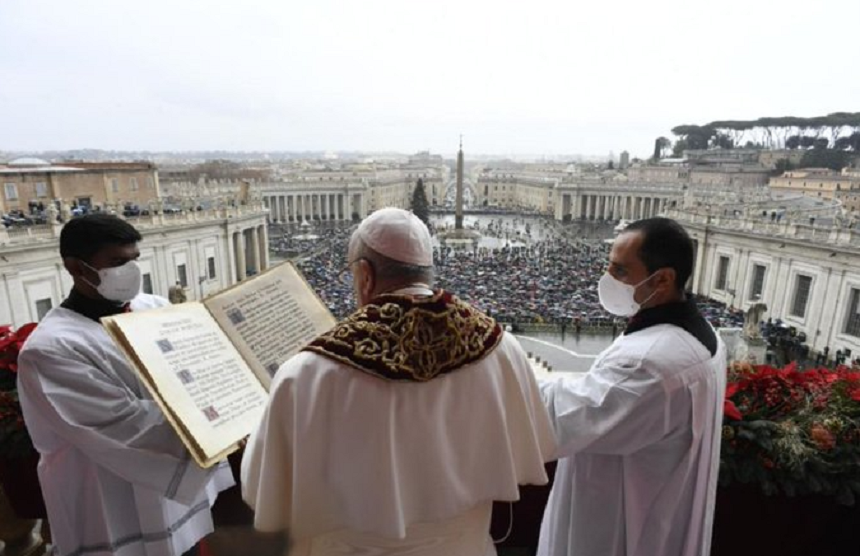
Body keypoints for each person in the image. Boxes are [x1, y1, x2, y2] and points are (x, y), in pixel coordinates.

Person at [242, 207, 555, 556]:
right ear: (427, 272)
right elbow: (535, 451)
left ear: (364, 275)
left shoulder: (307, 373)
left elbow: (260, 489)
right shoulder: (502, 349)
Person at [17, 214, 234, 556]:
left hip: (170, 491)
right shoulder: (51, 349)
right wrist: (223, 417)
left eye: (134, 259)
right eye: (117, 262)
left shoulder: (154, 308)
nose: (131, 271)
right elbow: (123, 424)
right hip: (106, 495)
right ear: (76, 267)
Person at [537, 217, 727, 556]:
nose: (609, 280)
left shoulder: (648, 364)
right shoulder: (705, 335)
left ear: (664, 279)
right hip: (661, 508)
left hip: (617, 527)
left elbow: (559, 420)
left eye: (621, 271)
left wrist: (499, 364)